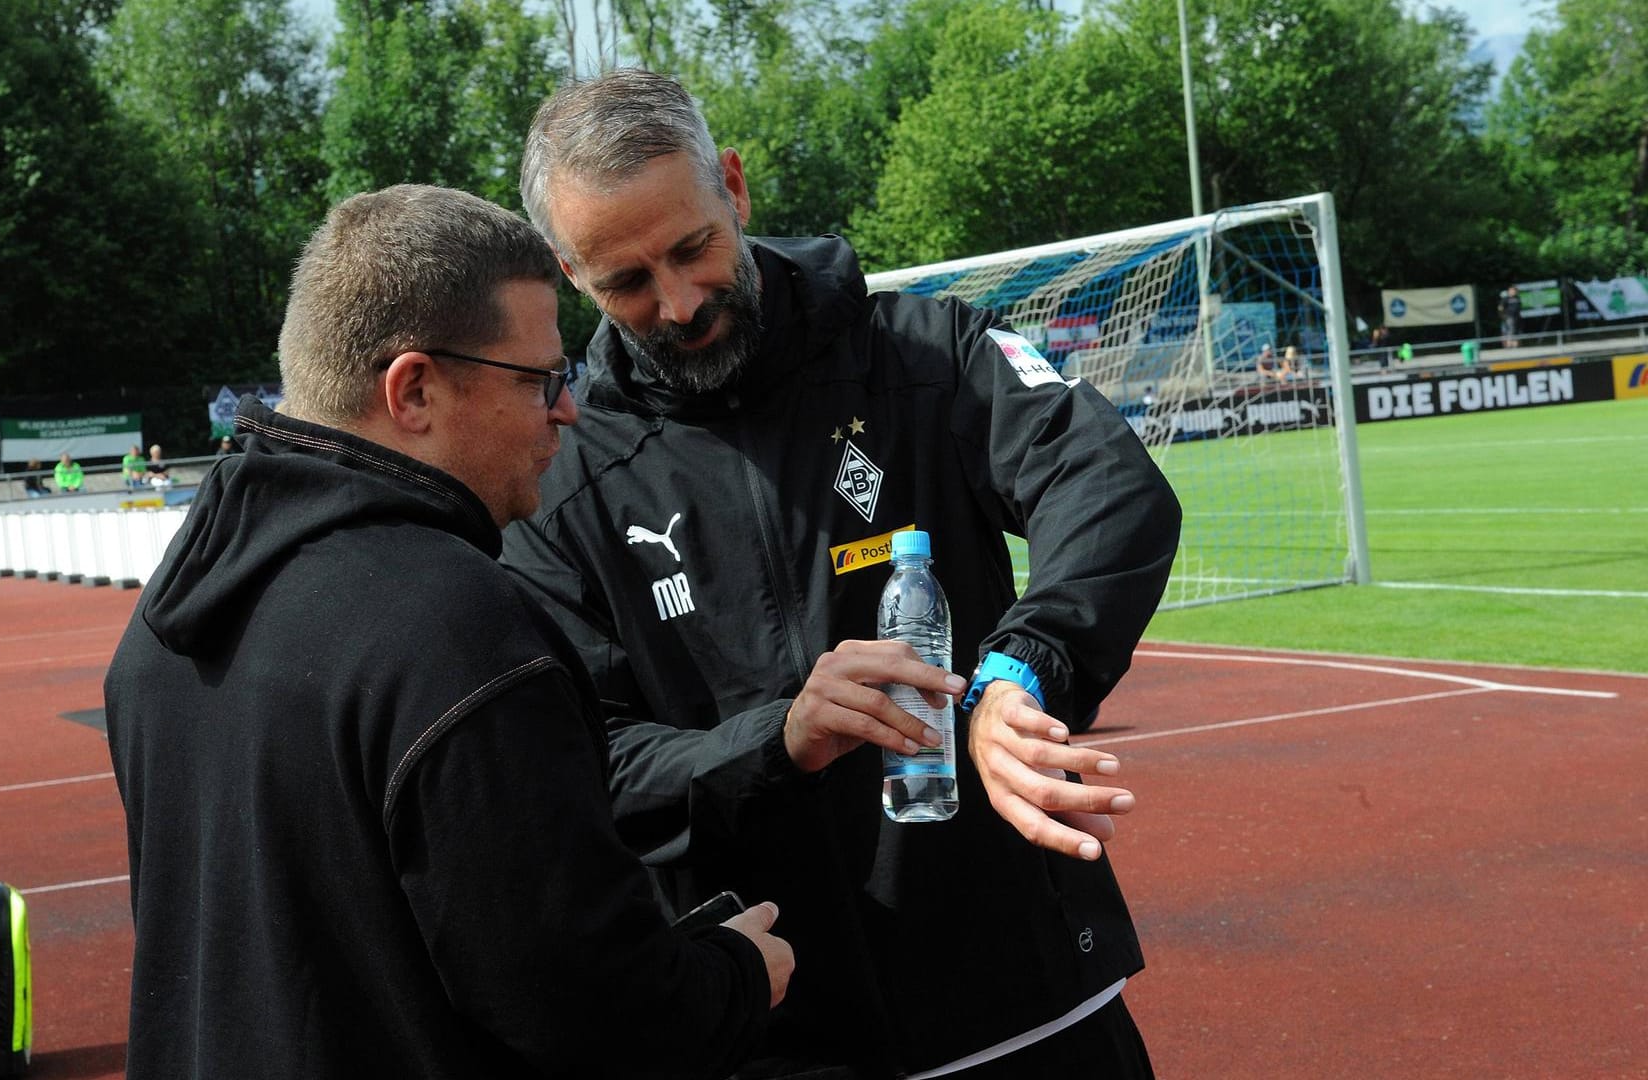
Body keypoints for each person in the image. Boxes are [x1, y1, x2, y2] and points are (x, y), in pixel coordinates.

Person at [502, 70, 1179, 1078]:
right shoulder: (566, 478)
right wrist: (775, 741)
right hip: (771, 1028)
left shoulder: (922, 353)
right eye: (627, 283)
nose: (679, 303)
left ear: (732, 186)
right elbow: (584, 760)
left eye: (693, 248)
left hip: (1023, 994)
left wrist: (1022, 670)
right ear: (569, 270)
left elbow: (1109, 486)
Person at [104, 184, 789, 1080]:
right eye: (542, 379)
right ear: (415, 389)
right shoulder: (456, 630)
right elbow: (585, 1011)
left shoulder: (163, 622)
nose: (569, 411)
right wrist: (736, 975)